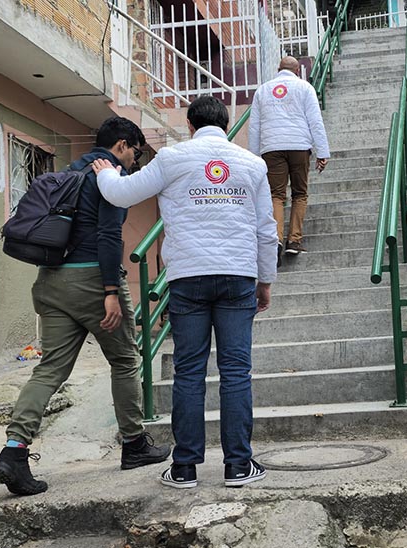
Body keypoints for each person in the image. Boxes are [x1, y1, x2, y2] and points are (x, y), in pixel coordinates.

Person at [94, 96, 279, 489]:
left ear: (191, 127)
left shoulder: (173, 159)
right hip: (238, 276)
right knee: (235, 372)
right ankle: (238, 466)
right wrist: (265, 280)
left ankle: (185, 468)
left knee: (189, 372)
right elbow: (266, 230)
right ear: (226, 125)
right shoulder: (252, 164)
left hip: (188, 277)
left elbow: (121, 193)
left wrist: (105, 172)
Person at [0, 117, 171, 496]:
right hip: (93, 280)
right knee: (124, 360)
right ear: (122, 145)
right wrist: (110, 289)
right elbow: (108, 235)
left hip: (51, 281)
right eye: (136, 154)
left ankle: (14, 451)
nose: (135, 164)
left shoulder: (67, 172)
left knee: (50, 369)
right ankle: (134, 444)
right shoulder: (106, 179)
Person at [250, 56, 330, 259]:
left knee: (275, 195)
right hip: (299, 146)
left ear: (278, 69)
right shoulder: (304, 88)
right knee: (299, 193)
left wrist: (254, 157)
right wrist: (322, 152)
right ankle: (294, 240)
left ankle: (275, 239)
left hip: (271, 147)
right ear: (297, 71)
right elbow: (315, 120)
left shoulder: (262, 90)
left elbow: (254, 126)